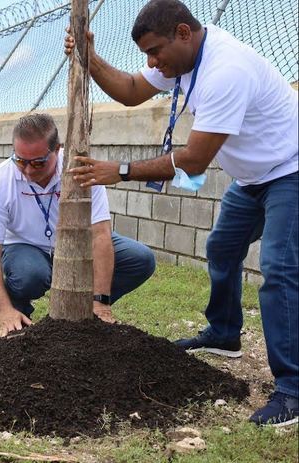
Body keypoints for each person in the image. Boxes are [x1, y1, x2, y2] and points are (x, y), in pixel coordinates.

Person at [65, 0, 298, 426]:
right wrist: (89, 56)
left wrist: (118, 170)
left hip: (290, 170)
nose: (153, 63)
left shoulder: (226, 71)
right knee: (222, 249)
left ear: (183, 33)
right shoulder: (182, 55)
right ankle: (224, 334)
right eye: (148, 56)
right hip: (252, 178)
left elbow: (192, 161)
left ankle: (292, 389)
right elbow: (132, 91)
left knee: (280, 268)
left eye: (156, 52)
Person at [0, 113, 156, 338]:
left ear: (58, 149)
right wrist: (3, 311)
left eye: (38, 162)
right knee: (29, 275)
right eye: (21, 161)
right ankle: (17, 313)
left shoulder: (83, 171)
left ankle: (86, 310)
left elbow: (100, 235)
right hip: (25, 245)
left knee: (140, 259)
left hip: (78, 243)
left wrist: (100, 301)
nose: (29, 170)